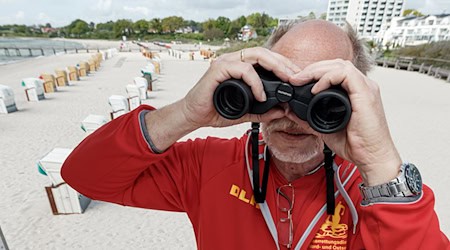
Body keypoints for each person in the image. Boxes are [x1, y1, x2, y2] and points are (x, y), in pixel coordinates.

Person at [61, 20, 449, 249]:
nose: (292, 115)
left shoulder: (374, 189)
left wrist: (380, 161)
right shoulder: (207, 165)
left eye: (317, 94)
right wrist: (185, 113)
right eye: (277, 85)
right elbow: (85, 176)